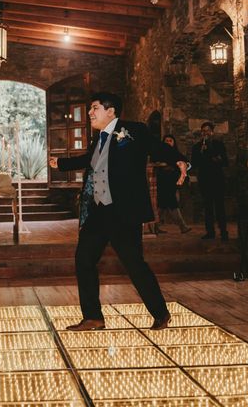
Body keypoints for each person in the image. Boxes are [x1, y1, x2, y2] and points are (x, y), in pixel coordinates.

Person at [49, 92, 187, 331]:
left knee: (134, 263)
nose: (90, 113)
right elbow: (89, 160)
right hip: (99, 211)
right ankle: (93, 317)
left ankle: (160, 313)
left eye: (94, 108)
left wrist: (180, 160)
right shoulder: (98, 138)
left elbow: (156, 147)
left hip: (124, 211)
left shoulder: (133, 130)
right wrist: (60, 164)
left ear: (110, 111)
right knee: (83, 260)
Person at [191, 122, 229, 240]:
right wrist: (201, 152)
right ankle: (210, 232)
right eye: (203, 131)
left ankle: (223, 231)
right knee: (207, 207)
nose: (205, 133)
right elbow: (194, 163)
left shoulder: (219, 145)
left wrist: (215, 157)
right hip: (205, 179)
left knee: (220, 207)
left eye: (207, 130)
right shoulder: (197, 147)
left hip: (217, 179)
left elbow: (225, 162)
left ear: (212, 132)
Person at [156, 134, 191, 234]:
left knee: (163, 205)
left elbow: (187, 164)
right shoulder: (159, 153)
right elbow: (155, 163)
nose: (168, 142)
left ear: (173, 143)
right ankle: (183, 226)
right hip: (162, 182)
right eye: (166, 141)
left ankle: (155, 227)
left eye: (170, 140)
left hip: (171, 182)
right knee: (170, 203)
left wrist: (176, 166)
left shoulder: (176, 153)